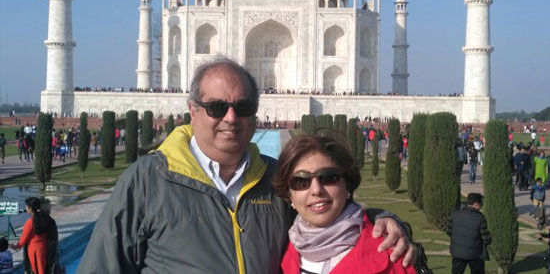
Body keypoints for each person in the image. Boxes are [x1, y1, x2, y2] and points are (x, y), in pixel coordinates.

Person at [78, 57, 414, 273]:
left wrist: (384, 219)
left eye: (243, 107)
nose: (230, 117)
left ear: (255, 112)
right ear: (193, 110)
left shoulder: (277, 180)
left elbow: (329, 214)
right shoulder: (148, 180)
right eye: (216, 107)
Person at [274, 133, 418, 273]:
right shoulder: (282, 252)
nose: (316, 190)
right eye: (300, 181)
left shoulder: (392, 253)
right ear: (289, 195)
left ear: (347, 185)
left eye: (328, 177)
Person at [445, 193, 491, 274]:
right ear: (476, 204)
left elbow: (448, 231)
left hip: (457, 252)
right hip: (475, 254)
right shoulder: (480, 218)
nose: (481, 207)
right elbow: (486, 239)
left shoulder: (454, 214)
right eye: (481, 204)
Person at [10, 197, 57, 274]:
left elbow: (23, 239)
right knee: (43, 270)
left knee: (36, 270)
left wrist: (15, 246)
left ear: (30, 208)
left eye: (26, 206)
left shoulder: (30, 222)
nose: (25, 208)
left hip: (34, 250)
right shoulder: (46, 219)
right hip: (44, 248)